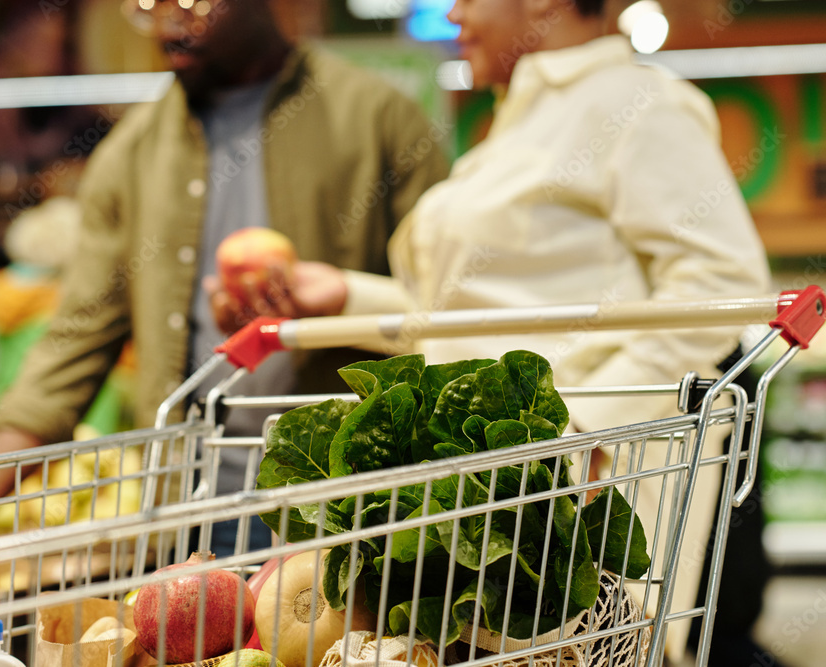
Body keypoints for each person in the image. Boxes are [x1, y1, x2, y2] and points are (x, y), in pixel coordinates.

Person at [208, 0, 772, 662]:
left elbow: (721, 286)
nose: (452, 12)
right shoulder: (521, 118)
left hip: (573, 536)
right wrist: (344, 295)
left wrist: (581, 426)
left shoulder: (636, 102)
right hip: (483, 522)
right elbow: (480, 329)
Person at [0, 0, 449, 549]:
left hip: (346, 511)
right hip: (188, 512)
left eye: (192, 3)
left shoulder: (378, 121)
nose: (168, 21)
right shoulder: (130, 156)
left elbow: (447, 309)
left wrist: (339, 301)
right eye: (146, 6)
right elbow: (76, 337)